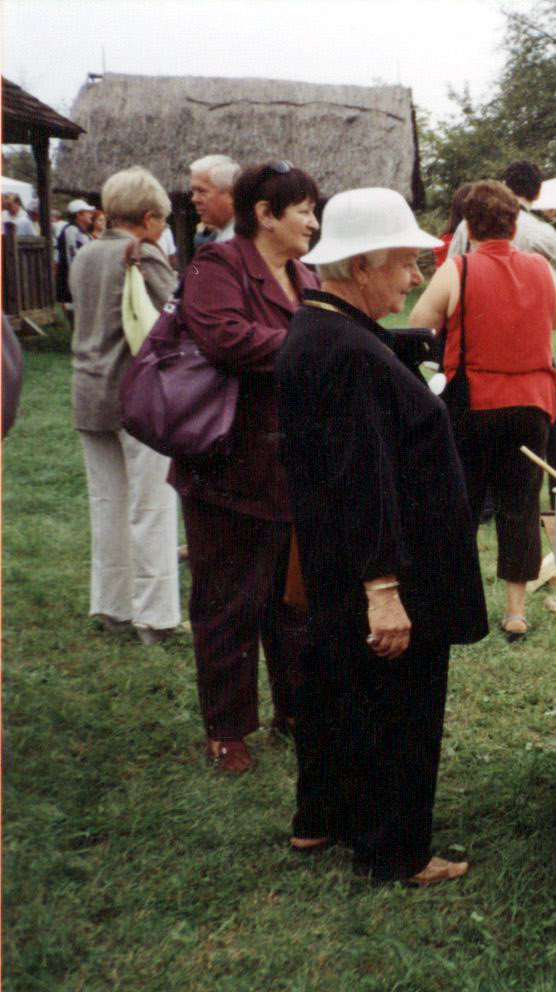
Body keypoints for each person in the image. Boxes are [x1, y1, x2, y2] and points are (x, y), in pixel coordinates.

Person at [277, 187, 486, 886]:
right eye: (403, 262)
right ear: (361, 265)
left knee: (338, 687)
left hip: (338, 557)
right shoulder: (348, 353)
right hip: (383, 564)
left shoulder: (321, 330)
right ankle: (396, 850)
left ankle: (321, 817)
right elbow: (363, 478)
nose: (415, 277)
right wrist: (385, 589)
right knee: (398, 706)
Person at [173, 161, 321, 774]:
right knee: (227, 600)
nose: (313, 222)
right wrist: (313, 344)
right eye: (304, 211)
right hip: (226, 466)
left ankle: (295, 709)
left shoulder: (307, 274)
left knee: (292, 600)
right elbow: (223, 337)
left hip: (293, 466)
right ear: (264, 214)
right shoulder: (216, 265)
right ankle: (228, 730)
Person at [409, 180, 556, 641]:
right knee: (521, 505)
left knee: (463, 504)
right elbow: (555, 320)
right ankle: (515, 611)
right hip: (533, 403)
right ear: (514, 225)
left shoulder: (457, 269)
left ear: (468, 227)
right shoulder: (541, 268)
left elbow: (419, 325)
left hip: (473, 403)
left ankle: (457, 602)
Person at [68, 167, 182, 645]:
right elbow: (177, 315)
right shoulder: (143, 255)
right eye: (162, 221)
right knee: (152, 506)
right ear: (149, 217)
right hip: (137, 397)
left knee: (107, 505)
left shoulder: (86, 254)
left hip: (88, 391)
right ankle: (155, 619)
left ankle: (113, 607)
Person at [502, 160, 556, 502]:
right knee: (554, 415)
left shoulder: (469, 226)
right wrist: (541, 318)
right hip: (532, 339)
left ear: (505, 186)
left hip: (482, 336)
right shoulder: (543, 233)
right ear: (536, 192)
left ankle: (489, 497)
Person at [189, 154, 240, 244]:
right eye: (193, 192)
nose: (194, 199)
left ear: (231, 194)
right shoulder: (225, 235)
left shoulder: (240, 240)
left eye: (201, 191)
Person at [55, 199, 95, 305]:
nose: (91, 214)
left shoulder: (85, 232)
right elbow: (71, 258)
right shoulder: (71, 230)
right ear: (79, 215)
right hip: (73, 282)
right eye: (87, 212)